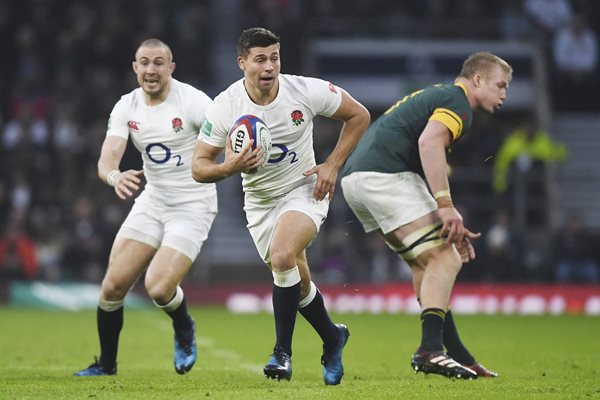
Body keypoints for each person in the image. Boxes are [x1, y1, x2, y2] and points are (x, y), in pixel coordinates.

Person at [191, 27, 370, 385]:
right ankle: (333, 338)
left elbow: (359, 115)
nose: (269, 65)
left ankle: (282, 354)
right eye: (260, 59)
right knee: (296, 281)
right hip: (259, 203)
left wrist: (332, 164)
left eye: (274, 57)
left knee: (284, 255)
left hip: (305, 190)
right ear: (242, 63)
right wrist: (229, 167)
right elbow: (199, 166)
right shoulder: (226, 106)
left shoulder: (304, 90)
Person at [341, 52, 512, 379]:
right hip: (384, 176)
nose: (505, 94)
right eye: (500, 85)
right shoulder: (457, 100)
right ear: (477, 79)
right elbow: (429, 141)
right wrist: (445, 206)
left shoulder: (437, 96)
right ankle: (429, 350)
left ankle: (458, 354)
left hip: (358, 180)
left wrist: (443, 214)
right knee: (445, 259)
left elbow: (425, 151)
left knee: (427, 263)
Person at [74, 39, 216, 376]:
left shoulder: (195, 102)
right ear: (135, 68)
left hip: (193, 204)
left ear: (171, 68)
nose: (151, 70)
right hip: (153, 201)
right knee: (112, 286)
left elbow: (222, 140)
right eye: (144, 63)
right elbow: (108, 155)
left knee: (158, 287)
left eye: (158, 63)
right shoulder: (127, 106)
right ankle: (107, 365)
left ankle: (183, 326)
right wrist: (114, 175)